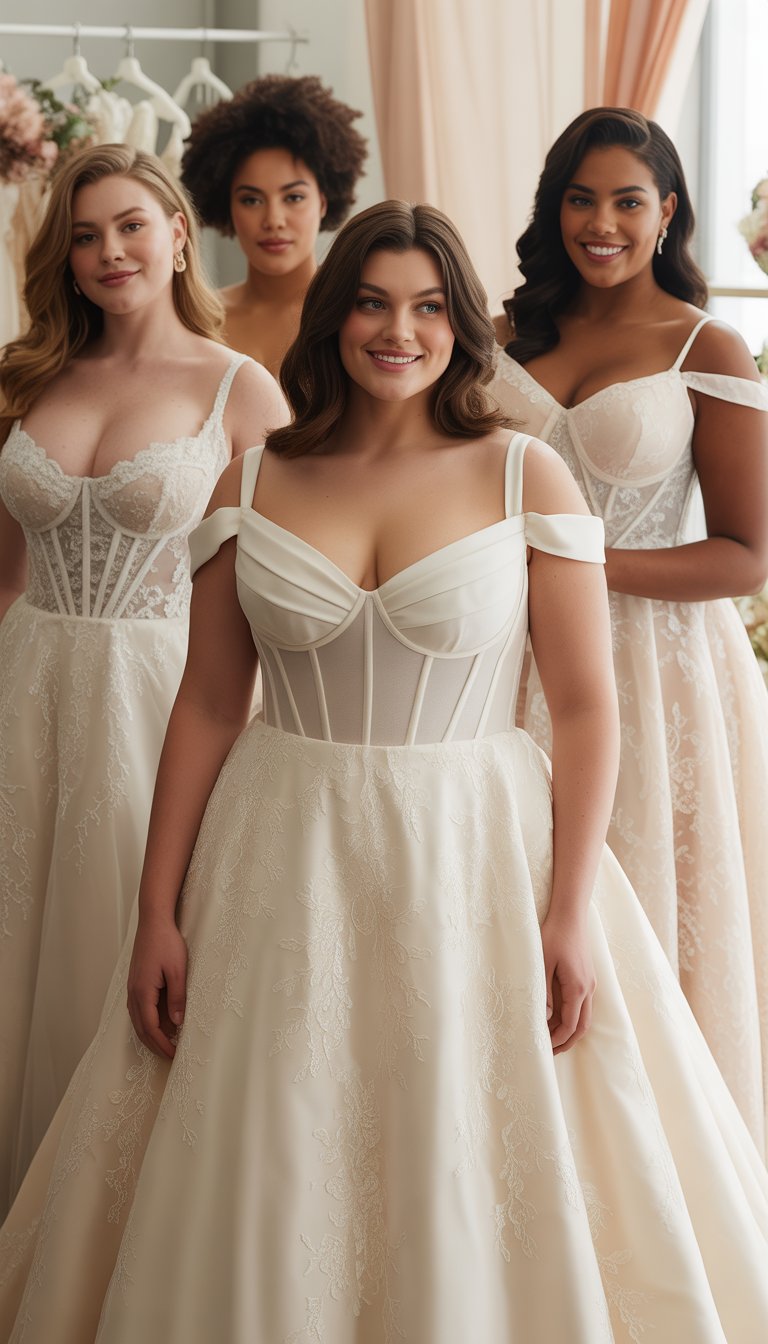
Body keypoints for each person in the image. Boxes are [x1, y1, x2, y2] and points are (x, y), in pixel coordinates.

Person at [1, 200, 767, 1344]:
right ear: (333, 317)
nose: (397, 332)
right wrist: (156, 912)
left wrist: (569, 909)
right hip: (279, 856)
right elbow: (207, 706)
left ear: (460, 325)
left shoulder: (527, 478)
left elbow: (583, 706)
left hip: (475, 854)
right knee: (276, 1137)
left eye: (426, 307)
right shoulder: (249, 482)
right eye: (369, 303)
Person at [0, 143, 287, 1216]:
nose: (109, 251)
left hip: (159, 700)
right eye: (84, 236)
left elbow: (286, 586)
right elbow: (3, 577)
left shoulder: (241, 390)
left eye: (130, 225)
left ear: (176, 233)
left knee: (123, 944)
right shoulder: (27, 376)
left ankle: (97, 1231)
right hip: (23, 693)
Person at [491, 106, 768, 1156]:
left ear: (668, 213)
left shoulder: (707, 345)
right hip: (505, 664)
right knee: (516, 910)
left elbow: (746, 553)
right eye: (579, 199)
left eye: (626, 201)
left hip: (655, 676)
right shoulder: (502, 338)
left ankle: (659, 1176)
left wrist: (576, 566)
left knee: (642, 921)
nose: (600, 224)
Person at [181, 74, 368, 376]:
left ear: (323, 201)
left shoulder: (354, 314)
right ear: (228, 206)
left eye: (293, 197)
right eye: (251, 200)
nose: (273, 220)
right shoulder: (196, 319)